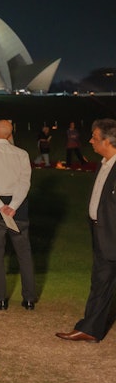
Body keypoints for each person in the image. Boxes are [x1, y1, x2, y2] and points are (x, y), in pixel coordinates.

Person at [56, 118, 116, 343]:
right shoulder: (103, 163)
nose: (90, 140)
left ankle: (90, 328)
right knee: (100, 283)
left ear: (108, 142)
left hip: (112, 236)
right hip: (101, 234)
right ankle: (90, 328)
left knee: (102, 283)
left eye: (94, 137)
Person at [0, 119, 36, 310]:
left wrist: (0, 206)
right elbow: (25, 182)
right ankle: (28, 299)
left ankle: (1, 299)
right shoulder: (22, 153)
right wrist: (14, 205)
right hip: (18, 208)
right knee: (24, 254)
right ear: (10, 134)